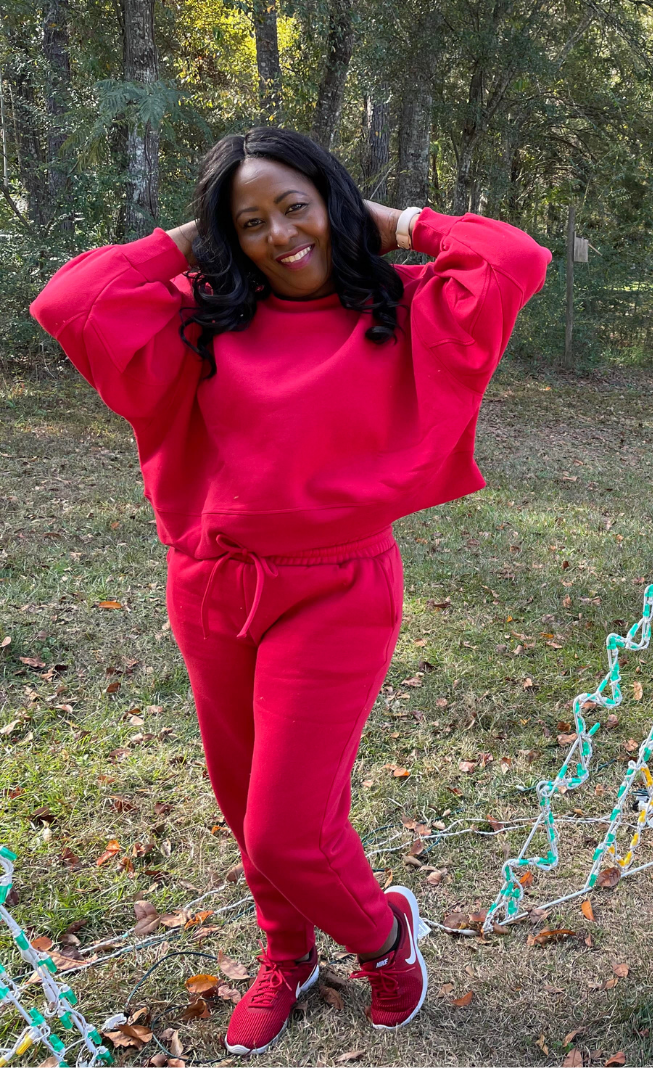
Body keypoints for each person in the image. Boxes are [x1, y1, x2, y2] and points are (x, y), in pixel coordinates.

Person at [30, 127, 551, 1055]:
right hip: (210, 585)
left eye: (295, 206)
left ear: (333, 200)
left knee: (284, 829)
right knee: (243, 803)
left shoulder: (402, 304)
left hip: (338, 586)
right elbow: (70, 299)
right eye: (252, 221)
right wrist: (203, 240)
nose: (279, 233)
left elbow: (512, 258)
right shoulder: (203, 313)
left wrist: (394, 224)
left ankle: (386, 938)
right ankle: (288, 956)